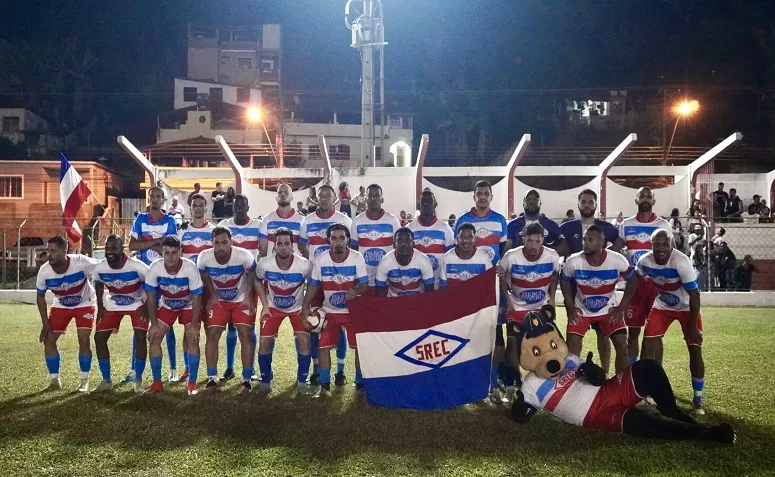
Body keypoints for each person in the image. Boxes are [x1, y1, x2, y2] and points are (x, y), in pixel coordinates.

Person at [637, 229, 706, 415]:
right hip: (662, 305)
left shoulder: (681, 261)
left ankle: (698, 399)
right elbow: (637, 279)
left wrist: (692, 327)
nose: (660, 248)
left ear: (671, 245)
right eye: (656, 245)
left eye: (664, 244)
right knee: (648, 343)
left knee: (694, 347)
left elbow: (694, 295)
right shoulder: (644, 261)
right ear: (651, 245)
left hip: (686, 307)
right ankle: (649, 391)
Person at [559, 189, 624, 375]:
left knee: (603, 332)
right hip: (573, 288)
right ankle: (571, 374)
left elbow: (620, 240)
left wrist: (613, 257)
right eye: (584, 202)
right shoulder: (567, 227)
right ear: (578, 204)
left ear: (596, 205)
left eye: (590, 202)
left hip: (600, 289)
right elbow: (559, 245)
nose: (587, 205)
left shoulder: (605, 227)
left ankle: (604, 372)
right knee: (574, 331)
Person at [455, 180, 509, 397]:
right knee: (465, 336)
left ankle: (495, 381)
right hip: (467, 289)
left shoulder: (499, 220)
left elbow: (501, 250)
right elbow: (458, 250)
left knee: (495, 333)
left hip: (491, 287)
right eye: (479, 193)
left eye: (487, 193)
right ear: (474, 196)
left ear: (491, 196)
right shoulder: (463, 221)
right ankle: (467, 381)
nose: (483, 197)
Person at [301, 224, 368, 397]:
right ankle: (325, 386)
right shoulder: (321, 259)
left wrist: (356, 290)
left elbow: (365, 284)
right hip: (329, 311)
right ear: (329, 240)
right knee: (323, 347)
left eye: (341, 238)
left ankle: (360, 384)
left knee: (360, 347)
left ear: (348, 240)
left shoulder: (357, 258)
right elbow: (314, 286)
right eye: (334, 238)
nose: (338, 242)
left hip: (352, 311)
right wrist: (305, 307)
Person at [560, 225, 637, 374]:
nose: (585, 243)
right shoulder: (573, 261)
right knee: (572, 347)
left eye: (590, 240)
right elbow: (564, 280)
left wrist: (621, 308)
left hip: (608, 310)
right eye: (584, 239)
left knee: (622, 345)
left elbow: (633, 281)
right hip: (582, 310)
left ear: (602, 242)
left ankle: (620, 387)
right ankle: (570, 386)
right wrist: (570, 307)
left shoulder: (617, 260)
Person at [498, 222, 560, 400]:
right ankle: (513, 382)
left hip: (541, 307)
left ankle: (547, 381)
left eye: (537, 241)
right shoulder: (511, 256)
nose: (533, 246)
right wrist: (508, 301)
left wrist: (553, 300)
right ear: (523, 239)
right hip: (517, 306)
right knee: (512, 342)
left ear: (542, 240)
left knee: (548, 344)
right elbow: (501, 277)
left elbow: (555, 277)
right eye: (530, 241)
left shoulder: (552, 256)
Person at [298, 183, 352, 386]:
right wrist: (314, 260)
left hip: (339, 279)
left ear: (334, 199)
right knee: (315, 323)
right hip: (315, 279)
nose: (323, 198)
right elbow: (302, 244)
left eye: (327, 195)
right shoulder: (308, 220)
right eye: (320, 195)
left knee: (339, 325)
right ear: (317, 198)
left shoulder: (344, 220)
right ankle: (315, 368)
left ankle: (340, 370)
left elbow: (351, 244)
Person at [439, 222, 499, 403]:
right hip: (455, 314)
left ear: (475, 239)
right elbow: (443, 289)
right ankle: (455, 385)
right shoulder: (448, 258)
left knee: (480, 349)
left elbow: (489, 286)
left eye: (469, 237)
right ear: (457, 238)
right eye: (462, 237)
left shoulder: (483, 259)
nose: (465, 241)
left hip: (477, 314)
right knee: (455, 351)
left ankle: (488, 387)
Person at [129, 186, 180, 382]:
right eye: (152, 196)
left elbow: (169, 249)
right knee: (140, 326)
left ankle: (174, 368)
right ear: (149, 199)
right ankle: (134, 369)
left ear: (163, 200)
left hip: (164, 277)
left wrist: (146, 240)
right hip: (143, 277)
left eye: (159, 196)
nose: (155, 199)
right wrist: (156, 242)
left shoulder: (169, 220)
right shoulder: (140, 219)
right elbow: (132, 245)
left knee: (167, 324)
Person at [197, 227, 257, 393]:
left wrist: (248, 296)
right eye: (217, 243)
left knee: (245, 334)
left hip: (240, 300)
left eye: (224, 242)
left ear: (231, 242)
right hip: (220, 301)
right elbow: (203, 274)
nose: (221, 246)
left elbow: (252, 271)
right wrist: (213, 295)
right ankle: (212, 377)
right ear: (212, 243)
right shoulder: (204, 257)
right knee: (213, 334)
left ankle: (246, 379)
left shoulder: (243, 255)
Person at [36, 236, 99, 392]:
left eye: (54, 251)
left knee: (84, 339)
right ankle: (54, 380)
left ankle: (84, 380)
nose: (49, 254)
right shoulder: (44, 271)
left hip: (85, 302)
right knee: (49, 340)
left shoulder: (80, 262)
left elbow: (102, 270)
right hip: (61, 304)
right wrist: (45, 323)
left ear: (65, 251)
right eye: (48, 250)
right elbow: (40, 296)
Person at [255, 228, 313, 394]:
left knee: (303, 340)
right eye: (279, 243)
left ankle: (302, 380)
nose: (283, 247)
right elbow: (257, 281)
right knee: (264, 341)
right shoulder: (265, 264)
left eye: (287, 243)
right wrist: (265, 306)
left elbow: (314, 284)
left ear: (292, 245)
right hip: (273, 308)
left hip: (297, 309)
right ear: (275, 246)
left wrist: (306, 307)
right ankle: (266, 380)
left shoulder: (304, 265)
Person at [143, 236, 203, 395]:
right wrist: (154, 324)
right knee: (154, 337)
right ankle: (157, 383)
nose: (170, 257)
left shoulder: (190, 268)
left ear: (180, 252)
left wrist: (195, 325)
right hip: (168, 305)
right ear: (162, 253)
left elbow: (197, 299)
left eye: (174, 253)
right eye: (166, 253)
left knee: (192, 338)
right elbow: (150, 298)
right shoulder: (155, 268)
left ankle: (192, 384)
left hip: (188, 305)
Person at [619, 186, 671, 365]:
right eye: (642, 196)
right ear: (636, 200)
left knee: (655, 335)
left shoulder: (663, 225)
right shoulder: (626, 224)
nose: (646, 198)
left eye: (649, 196)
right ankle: (634, 375)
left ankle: (656, 374)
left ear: (654, 201)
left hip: (657, 285)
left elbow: (671, 254)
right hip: (635, 284)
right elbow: (616, 251)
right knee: (632, 333)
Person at [92, 235, 150, 393]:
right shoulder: (100, 268)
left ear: (122, 249)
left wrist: (146, 306)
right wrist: (101, 307)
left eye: (114, 248)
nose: (110, 252)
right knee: (99, 337)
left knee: (140, 336)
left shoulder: (138, 266)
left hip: (138, 303)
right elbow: (98, 283)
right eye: (107, 248)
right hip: (114, 303)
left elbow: (151, 285)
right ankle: (106, 380)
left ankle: (138, 381)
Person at [217, 194, 262, 381]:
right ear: (232, 207)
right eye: (236, 206)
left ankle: (250, 368)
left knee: (248, 326)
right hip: (229, 282)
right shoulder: (225, 226)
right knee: (230, 326)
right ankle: (229, 366)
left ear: (248, 206)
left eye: (243, 206)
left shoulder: (258, 226)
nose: (239, 209)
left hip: (249, 282)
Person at [350, 184, 401, 289]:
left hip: (388, 280)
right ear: (365, 199)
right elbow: (353, 251)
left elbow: (398, 249)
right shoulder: (357, 221)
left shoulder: (392, 220)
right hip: (364, 281)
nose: (373, 198)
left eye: (377, 195)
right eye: (370, 195)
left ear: (382, 199)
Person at [407, 190, 455, 287]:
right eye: (423, 202)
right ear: (418, 204)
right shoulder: (409, 229)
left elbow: (451, 258)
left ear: (435, 204)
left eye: (430, 202)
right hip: (416, 287)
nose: (426, 205)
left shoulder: (445, 229)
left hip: (438, 284)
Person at [375, 227, 435, 297]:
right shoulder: (385, 262)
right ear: (394, 244)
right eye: (400, 240)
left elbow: (430, 290)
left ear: (413, 244)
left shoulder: (424, 260)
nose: (403, 244)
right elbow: (379, 290)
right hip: (393, 300)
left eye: (407, 240)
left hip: (417, 300)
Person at [506, 189, 566, 256]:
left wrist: (546, 255)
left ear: (540, 203)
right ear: (523, 203)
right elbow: (507, 249)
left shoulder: (551, 224)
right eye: (528, 200)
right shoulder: (513, 224)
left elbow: (564, 247)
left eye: (535, 200)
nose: (531, 202)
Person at [259, 183, 305, 257]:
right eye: (280, 192)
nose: (283, 194)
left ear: (292, 197)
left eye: (286, 192)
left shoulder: (302, 221)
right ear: (276, 197)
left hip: (294, 267)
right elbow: (263, 250)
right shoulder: (267, 220)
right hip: (272, 267)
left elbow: (304, 249)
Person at [178, 194, 215, 265]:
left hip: (206, 274)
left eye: (201, 205)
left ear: (206, 209)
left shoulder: (213, 231)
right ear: (190, 209)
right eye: (194, 205)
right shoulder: (182, 231)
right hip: (188, 274)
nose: (197, 208)